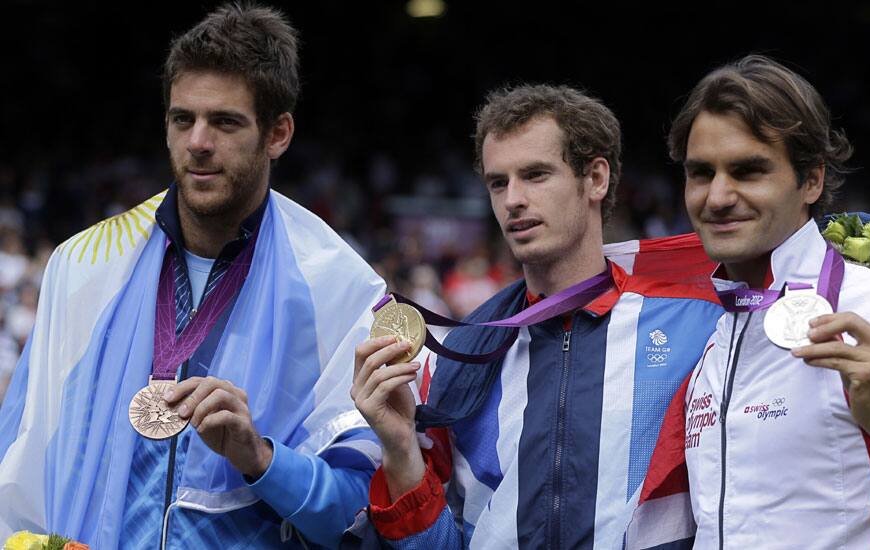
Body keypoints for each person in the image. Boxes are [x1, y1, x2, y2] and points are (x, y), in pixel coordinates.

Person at [0, 4, 386, 548]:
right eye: (183, 119)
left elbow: (361, 513)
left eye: (225, 122)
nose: (198, 142)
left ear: (278, 134)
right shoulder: (83, 266)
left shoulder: (339, 289)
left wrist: (261, 458)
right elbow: (15, 462)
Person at [352, 84, 725, 548]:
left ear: (596, 179)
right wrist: (401, 447)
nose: (513, 200)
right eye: (498, 182)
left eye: (535, 175)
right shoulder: (460, 356)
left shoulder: (698, 328)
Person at [666, 55, 870, 547]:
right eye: (702, 173)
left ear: (811, 180)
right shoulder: (712, 346)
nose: (719, 196)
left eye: (749, 171)